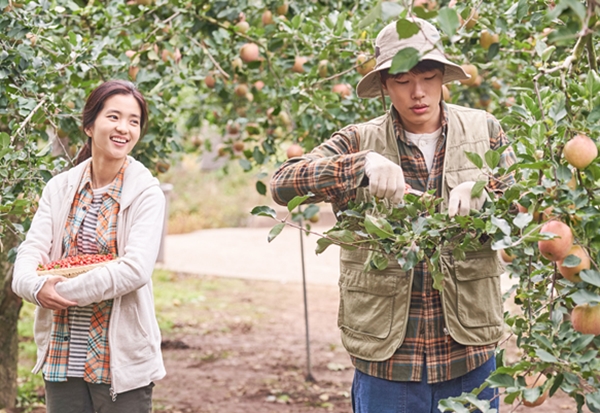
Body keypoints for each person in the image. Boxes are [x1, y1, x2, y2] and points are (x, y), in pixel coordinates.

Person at [270, 18, 516, 412]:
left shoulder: (484, 131)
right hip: (387, 363)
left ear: (442, 78)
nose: (418, 92)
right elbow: (282, 183)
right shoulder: (359, 139)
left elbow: (526, 203)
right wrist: (361, 165)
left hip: (469, 354)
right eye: (403, 81)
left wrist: (487, 192)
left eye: (429, 78)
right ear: (385, 84)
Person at [12, 80, 166, 413]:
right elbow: (30, 253)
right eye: (114, 117)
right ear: (89, 125)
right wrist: (35, 288)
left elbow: (135, 270)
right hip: (63, 354)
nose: (123, 128)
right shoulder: (59, 188)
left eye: (134, 121)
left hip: (119, 360)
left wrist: (60, 292)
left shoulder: (145, 193)